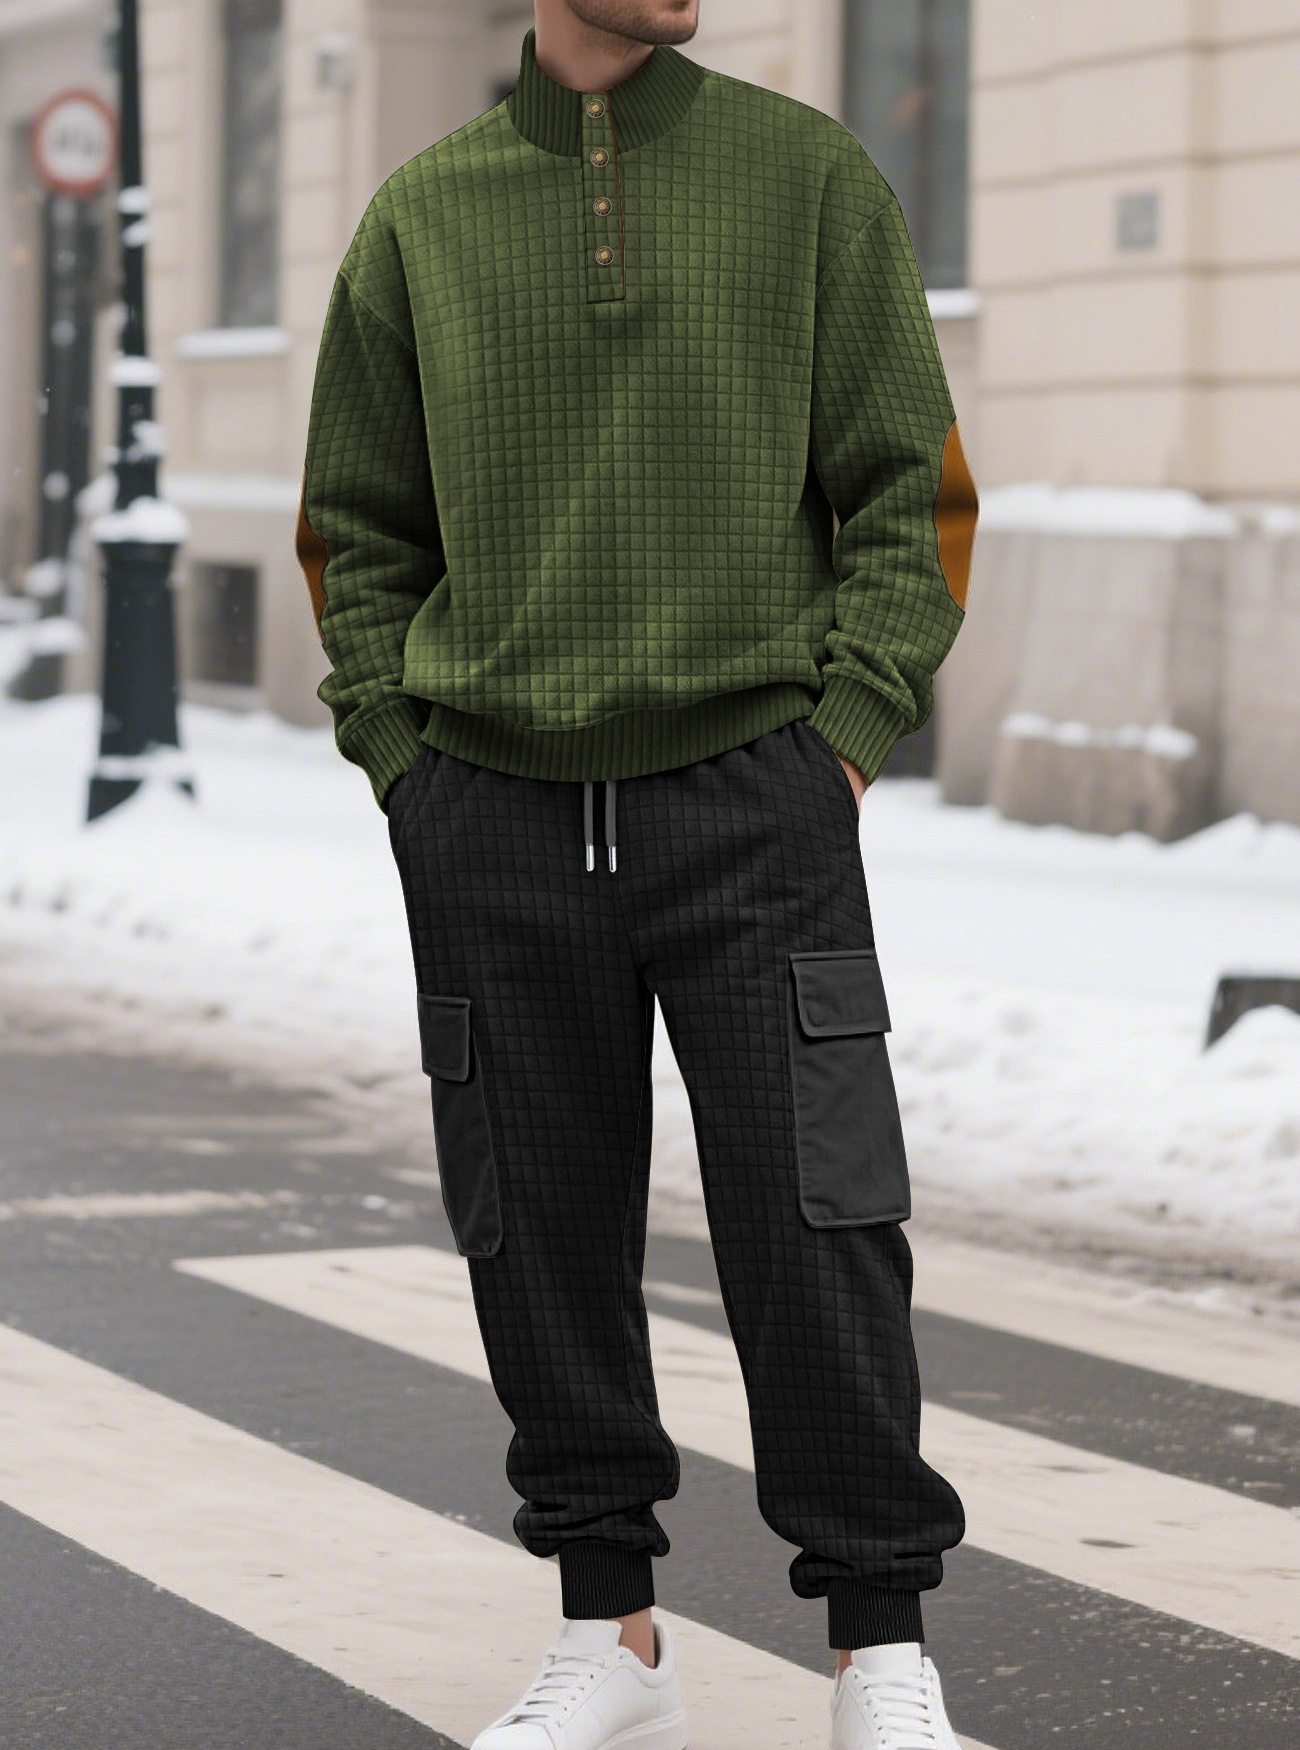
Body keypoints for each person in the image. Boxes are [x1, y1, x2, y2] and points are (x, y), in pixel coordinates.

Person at [295, 1, 979, 1745]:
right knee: (532, 1227)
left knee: (819, 1222)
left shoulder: (806, 178)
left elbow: (912, 495)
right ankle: (613, 1633)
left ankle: (881, 1653)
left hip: (751, 802)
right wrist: (404, 762)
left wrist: (839, 741)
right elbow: (356, 529)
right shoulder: (421, 217)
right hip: (493, 816)